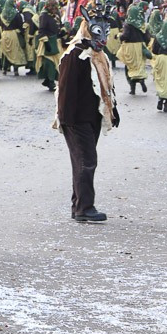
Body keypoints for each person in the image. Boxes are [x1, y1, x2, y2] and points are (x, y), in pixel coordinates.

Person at [53, 17, 120, 223]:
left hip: (92, 115)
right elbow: (65, 89)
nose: (103, 39)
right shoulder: (75, 55)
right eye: (98, 33)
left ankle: (79, 205)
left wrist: (112, 110)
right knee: (86, 161)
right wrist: (67, 119)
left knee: (83, 161)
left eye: (105, 34)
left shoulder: (97, 55)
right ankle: (84, 207)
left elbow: (104, 85)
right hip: (76, 118)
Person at [117, 4, 149, 95]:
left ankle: (132, 88)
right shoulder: (142, 23)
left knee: (129, 66)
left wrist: (120, 37)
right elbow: (147, 37)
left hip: (129, 47)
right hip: (139, 46)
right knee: (139, 65)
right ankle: (141, 80)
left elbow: (125, 35)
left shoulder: (128, 24)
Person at [35, 0, 62, 91]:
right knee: (49, 63)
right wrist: (46, 42)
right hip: (48, 41)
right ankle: (50, 81)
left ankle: (48, 80)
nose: (55, 8)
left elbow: (59, 25)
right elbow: (41, 30)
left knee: (56, 62)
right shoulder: (44, 16)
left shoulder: (56, 14)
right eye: (53, 6)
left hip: (56, 41)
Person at [0, 0, 28, 75]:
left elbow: (1, 25)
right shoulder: (16, 14)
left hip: (4, 34)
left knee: (5, 52)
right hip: (14, 34)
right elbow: (20, 25)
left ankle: (5, 69)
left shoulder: (2, 15)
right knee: (15, 52)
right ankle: (15, 70)